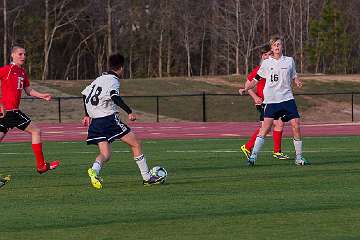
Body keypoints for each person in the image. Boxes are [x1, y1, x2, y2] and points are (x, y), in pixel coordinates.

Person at [81, 53, 165, 189]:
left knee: (105, 154)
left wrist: (86, 114)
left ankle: (94, 171)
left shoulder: (98, 79)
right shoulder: (113, 80)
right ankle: (147, 177)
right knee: (136, 144)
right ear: (121, 68)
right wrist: (129, 111)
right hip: (108, 120)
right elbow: (114, 96)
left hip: (95, 122)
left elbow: (84, 95)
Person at [239, 36, 310, 166]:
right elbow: (255, 79)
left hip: (287, 99)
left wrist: (297, 81)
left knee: (296, 125)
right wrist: (246, 88)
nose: (277, 47)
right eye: (275, 45)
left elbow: (294, 75)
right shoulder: (266, 63)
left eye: (279, 44)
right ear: (271, 48)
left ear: (282, 46)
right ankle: (253, 157)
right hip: (271, 100)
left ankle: (299, 157)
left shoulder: (289, 61)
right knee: (265, 129)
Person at [0, 46, 60, 183]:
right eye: (20, 54)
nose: (23, 56)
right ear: (12, 55)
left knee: (36, 131)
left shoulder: (21, 72)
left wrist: (42, 96)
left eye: (24, 54)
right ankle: (41, 166)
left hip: (12, 112)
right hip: (8, 112)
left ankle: (41, 165)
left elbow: (28, 90)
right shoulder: (7, 69)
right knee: (36, 131)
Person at [240, 45, 290, 161]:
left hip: (274, 101)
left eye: (271, 54)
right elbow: (247, 85)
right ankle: (249, 147)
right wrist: (255, 97)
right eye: (268, 54)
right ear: (263, 56)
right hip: (264, 102)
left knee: (278, 124)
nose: (270, 56)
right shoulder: (260, 69)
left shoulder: (273, 67)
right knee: (268, 127)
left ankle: (275, 151)